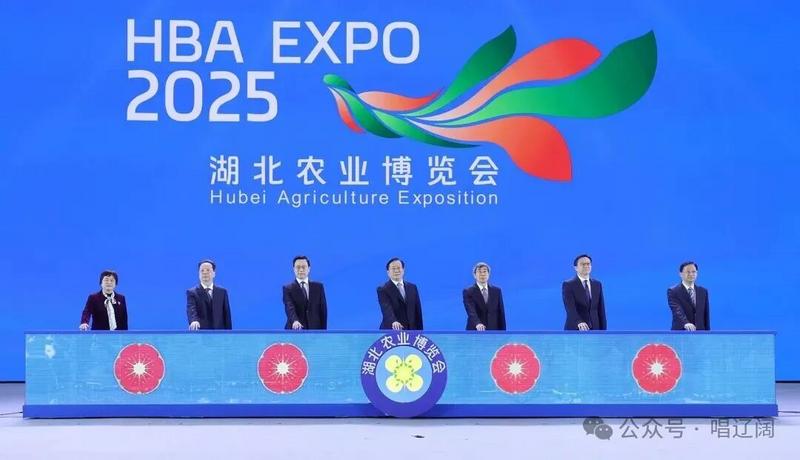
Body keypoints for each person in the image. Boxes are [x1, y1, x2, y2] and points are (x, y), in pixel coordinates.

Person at [562, 254, 607, 331]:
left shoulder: (597, 284)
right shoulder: (568, 285)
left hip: (596, 329)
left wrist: (604, 330)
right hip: (576, 328)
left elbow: (601, 309)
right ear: (576, 268)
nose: (586, 266)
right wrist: (579, 322)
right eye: (583, 264)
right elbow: (570, 308)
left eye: (588, 264)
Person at [282, 255, 328, 330]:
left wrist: (324, 332)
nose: (301, 270)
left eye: (304, 267)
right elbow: (289, 307)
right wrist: (295, 321)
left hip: (315, 330)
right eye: (298, 267)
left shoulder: (318, 287)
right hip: (295, 330)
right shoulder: (288, 289)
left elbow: (323, 311)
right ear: (293, 269)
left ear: (309, 269)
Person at [377, 257, 423, 330]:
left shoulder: (412, 287)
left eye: (399, 268)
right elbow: (386, 308)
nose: (396, 271)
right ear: (388, 272)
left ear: (403, 270)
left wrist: (420, 331)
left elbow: (417, 311)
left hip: (411, 330)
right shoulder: (383, 289)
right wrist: (393, 321)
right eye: (393, 268)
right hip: (392, 330)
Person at [186, 259, 232, 330]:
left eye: (208, 270)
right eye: (202, 271)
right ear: (199, 274)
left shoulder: (222, 292)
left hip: (219, 333)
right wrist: (194, 321)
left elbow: (227, 315)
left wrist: (229, 334)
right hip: (201, 333)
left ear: (214, 273)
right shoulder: (192, 292)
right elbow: (191, 309)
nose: (205, 273)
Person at [463, 262, 507, 331]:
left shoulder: (497, 291)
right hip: (475, 330)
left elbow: (501, 312)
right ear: (474, 275)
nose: (482, 274)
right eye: (479, 272)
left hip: (493, 330)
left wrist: (503, 332)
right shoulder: (468, 291)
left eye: (484, 271)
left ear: (489, 274)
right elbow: (471, 311)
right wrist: (477, 323)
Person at [667, 261, 710, 331]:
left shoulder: (703, 291)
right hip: (681, 331)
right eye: (688, 272)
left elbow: (706, 315)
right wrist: (685, 323)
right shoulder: (673, 291)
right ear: (680, 274)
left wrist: (708, 333)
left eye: (693, 272)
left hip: (700, 332)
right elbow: (677, 310)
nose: (691, 274)